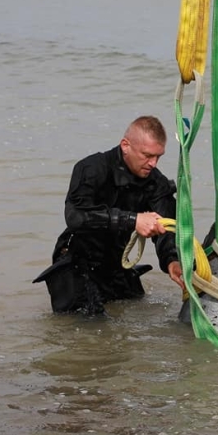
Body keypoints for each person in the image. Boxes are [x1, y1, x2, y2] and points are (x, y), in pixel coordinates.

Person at [33, 116, 184, 315]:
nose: (153, 164)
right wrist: (133, 220)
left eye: (158, 156)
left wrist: (171, 260)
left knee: (137, 309)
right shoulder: (91, 169)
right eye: (147, 155)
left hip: (116, 262)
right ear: (125, 145)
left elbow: (165, 226)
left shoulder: (156, 183)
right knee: (89, 328)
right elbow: (75, 217)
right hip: (77, 260)